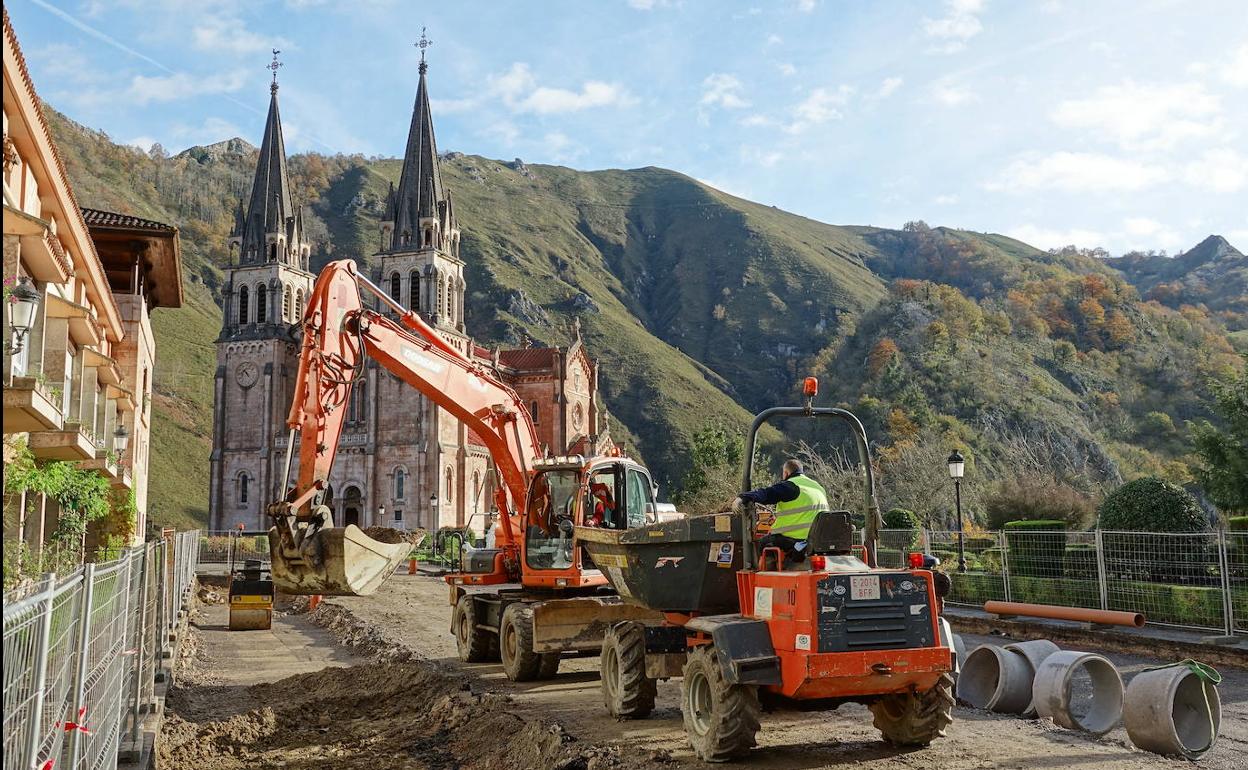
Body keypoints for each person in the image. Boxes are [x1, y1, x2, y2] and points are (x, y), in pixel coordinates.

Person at [736, 458, 828, 565]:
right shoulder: (818, 487)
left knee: (764, 542)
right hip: (818, 539)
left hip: (797, 539)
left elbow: (766, 494)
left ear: (786, 472)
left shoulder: (790, 486)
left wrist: (743, 497)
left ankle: (768, 577)